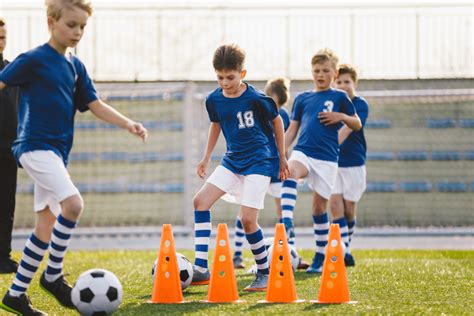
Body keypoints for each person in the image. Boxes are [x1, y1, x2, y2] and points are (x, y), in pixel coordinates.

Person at [0, 1, 147, 314]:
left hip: (56, 153)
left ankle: (15, 294)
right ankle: (53, 275)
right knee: (74, 204)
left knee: (44, 226)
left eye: (82, 26)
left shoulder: (75, 67)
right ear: (52, 22)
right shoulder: (33, 59)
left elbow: (94, 103)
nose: (77, 32)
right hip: (33, 146)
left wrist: (128, 123)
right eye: (71, 25)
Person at [191, 44, 289, 291]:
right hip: (233, 160)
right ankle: (201, 269)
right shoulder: (213, 100)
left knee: (247, 220)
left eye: (230, 77)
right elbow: (216, 125)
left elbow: (276, 121)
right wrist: (206, 158)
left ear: (242, 74)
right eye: (220, 77)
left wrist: (283, 157)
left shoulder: (257, 98)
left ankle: (265, 273)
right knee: (200, 202)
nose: (225, 82)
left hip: (260, 161)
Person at [281, 48, 362, 273]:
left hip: (327, 159)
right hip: (304, 151)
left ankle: (320, 255)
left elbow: (357, 123)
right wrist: (281, 151)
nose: (320, 74)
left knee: (318, 209)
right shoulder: (303, 98)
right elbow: (293, 129)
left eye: (325, 70)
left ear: (334, 73)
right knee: (290, 170)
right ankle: (286, 221)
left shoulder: (340, 97)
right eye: (316, 70)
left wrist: (341, 117)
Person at [232, 77, 309, 270]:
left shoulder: (278, 115)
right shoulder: (259, 112)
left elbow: (283, 143)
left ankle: (290, 254)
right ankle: (237, 254)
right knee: (251, 212)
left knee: (280, 212)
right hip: (259, 169)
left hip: (271, 171)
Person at [330, 64, 369, 267]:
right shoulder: (331, 103)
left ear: (354, 83)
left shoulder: (359, 104)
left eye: (347, 82)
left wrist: (330, 144)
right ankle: (343, 250)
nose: (343, 85)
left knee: (349, 209)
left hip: (354, 163)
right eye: (339, 82)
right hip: (333, 163)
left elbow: (348, 127)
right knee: (335, 205)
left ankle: (346, 244)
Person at [0, 18, 20, 275]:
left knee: (6, 205)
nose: (0, 42)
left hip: (8, 149)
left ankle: (3, 258)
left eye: (3, 37)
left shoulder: (14, 71)